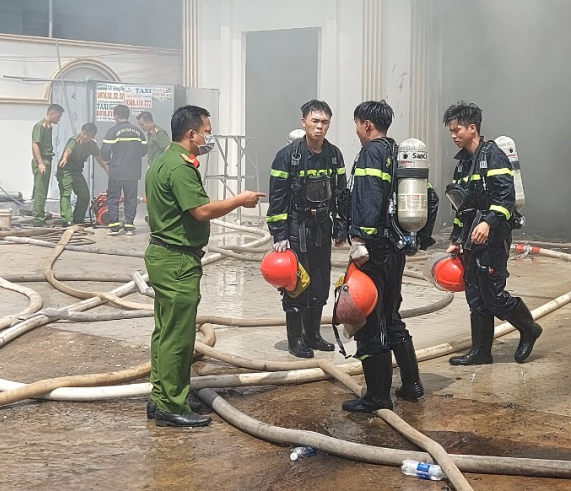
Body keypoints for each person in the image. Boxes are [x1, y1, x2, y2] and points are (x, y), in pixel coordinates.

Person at [144, 105, 264, 427]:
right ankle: (172, 405)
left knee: (164, 332)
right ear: (191, 133)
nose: (208, 137)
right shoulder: (180, 168)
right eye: (206, 131)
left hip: (163, 256)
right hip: (177, 260)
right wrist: (240, 200)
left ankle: (160, 397)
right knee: (178, 337)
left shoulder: (162, 161)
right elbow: (201, 211)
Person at [343, 100, 439, 413]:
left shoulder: (372, 152)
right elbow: (432, 197)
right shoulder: (401, 153)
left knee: (370, 321)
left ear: (366, 124)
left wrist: (359, 239)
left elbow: (369, 200)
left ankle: (378, 396)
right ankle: (411, 385)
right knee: (392, 317)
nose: (356, 130)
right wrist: (419, 238)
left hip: (374, 251)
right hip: (396, 248)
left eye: (357, 124)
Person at [443, 101, 541, 366]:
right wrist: (456, 239)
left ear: (473, 128)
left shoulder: (493, 156)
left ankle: (530, 329)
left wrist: (487, 222)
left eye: (457, 129)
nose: (453, 135)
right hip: (472, 238)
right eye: (451, 131)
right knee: (475, 295)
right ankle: (481, 352)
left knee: (494, 294)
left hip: (494, 236)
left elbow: (505, 196)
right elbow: (461, 207)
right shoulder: (463, 163)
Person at [265, 100, 347, 358]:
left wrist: (341, 227)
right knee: (297, 284)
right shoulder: (287, 156)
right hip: (295, 231)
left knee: (320, 285)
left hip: (322, 229)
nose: (319, 127)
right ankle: (295, 339)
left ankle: (313, 335)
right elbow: (276, 198)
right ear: (304, 122)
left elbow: (342, 195)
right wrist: (278, 234)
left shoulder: (334, 155)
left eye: (324, 122)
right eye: (315, 121)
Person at [101, 104, 148, 235]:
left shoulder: (113, 131)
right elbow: (145, 149)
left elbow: (104, 151)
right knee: (131, 199)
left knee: (113, 198)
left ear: (115, 115)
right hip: (133, 172)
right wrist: (133, 158)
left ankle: (115, 226)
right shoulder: (138, 132)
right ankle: (129, 226)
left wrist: (109, 162)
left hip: (116, 172)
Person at [56, 122, 109, 226]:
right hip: (65, 169)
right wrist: (64, 159)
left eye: (89, 135)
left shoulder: (92, 146)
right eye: (84, 133)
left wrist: (106, 169)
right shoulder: (74, 140)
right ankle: (67, 219)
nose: (85, 136)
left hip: (76, 172)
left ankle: (78, 218)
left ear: (93, 136)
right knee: (66, 193)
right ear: (81, 131)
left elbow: (99, 158)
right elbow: (68, 150)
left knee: (84, 194)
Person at [31, 104, 64, 227]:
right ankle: (38, 219)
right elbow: (35, 144)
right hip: (42, 161)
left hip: (47, 160)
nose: (59, 119)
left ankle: (40, 216)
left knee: (43, 191)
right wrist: (40, 163)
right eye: (58, 116)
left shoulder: (49, 127)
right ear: (51, 113)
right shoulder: (40, 126)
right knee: (40, 190)